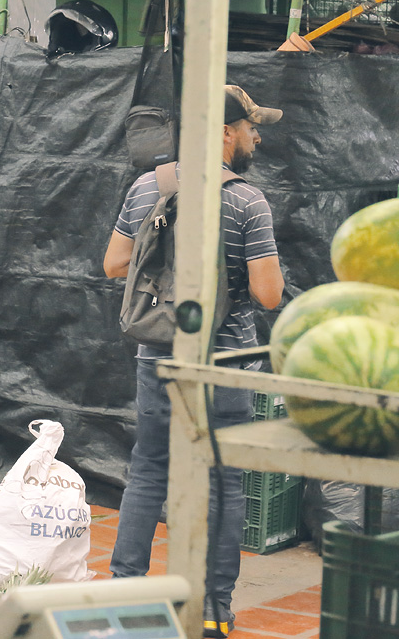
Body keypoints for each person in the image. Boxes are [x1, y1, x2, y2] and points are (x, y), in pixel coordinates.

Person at [102, 84, 286, 639]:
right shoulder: (246, 201)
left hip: (157, 353)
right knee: (223, 483)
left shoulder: (147, 187)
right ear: (226, 131)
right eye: (252, 127)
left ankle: (123, 597)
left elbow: (114, 264)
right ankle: (213, 613)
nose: (256, 136)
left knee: (148, 471)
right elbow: (269, 295)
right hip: (223, 362)